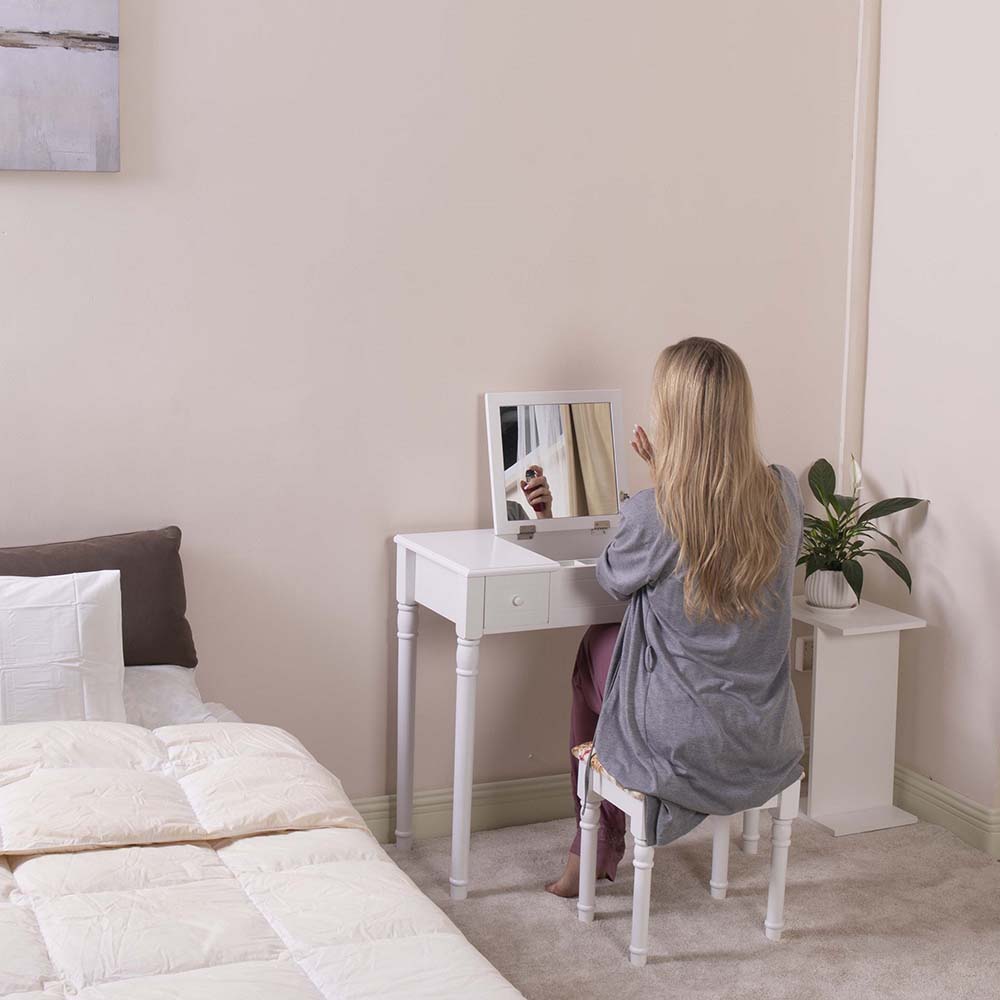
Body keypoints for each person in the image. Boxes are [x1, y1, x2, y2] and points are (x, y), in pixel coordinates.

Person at [546, 337, 805, 897]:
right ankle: (596, 844)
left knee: (595, 647)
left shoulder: (655, 510)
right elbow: (720, 520)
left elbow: (613, 577)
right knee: (617, 646)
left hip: (682, 744)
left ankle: (591, 845)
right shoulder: (784, 491)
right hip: (765, 737)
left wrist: (663, 485)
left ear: (672, 415)